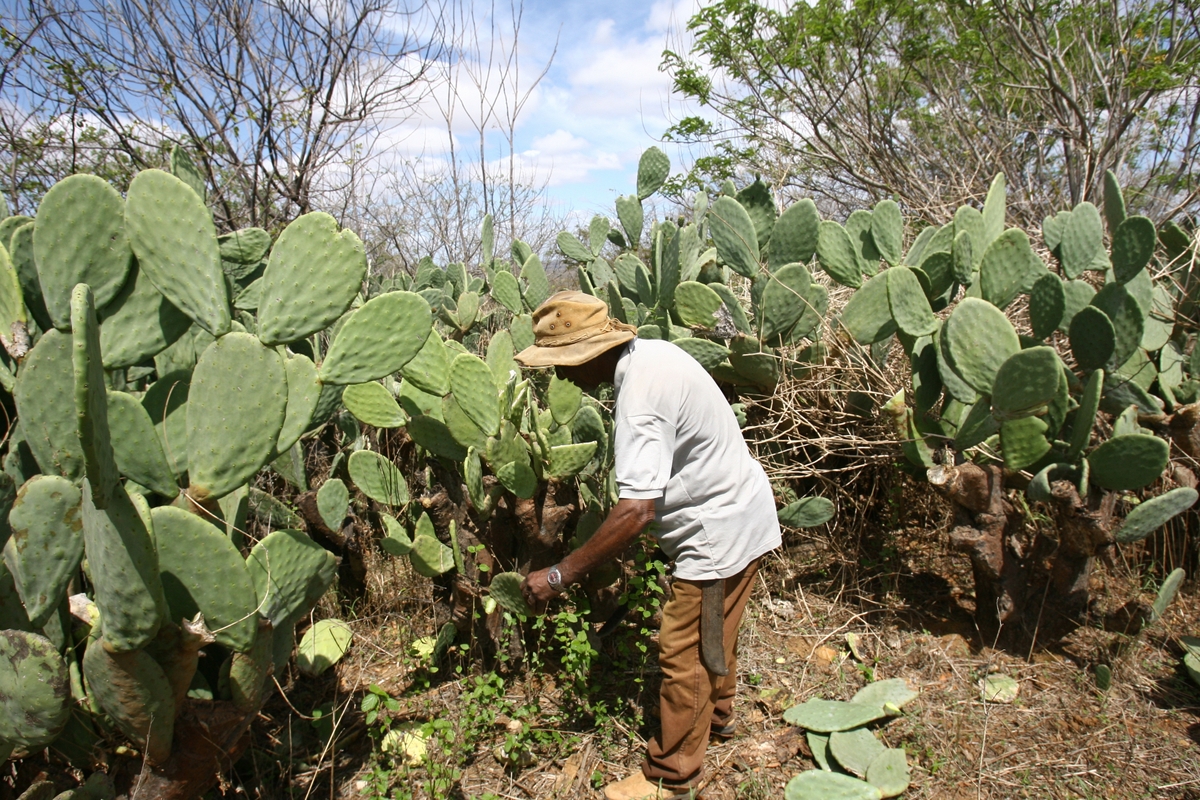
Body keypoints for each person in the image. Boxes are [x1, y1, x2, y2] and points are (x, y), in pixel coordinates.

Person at [515, 291, 781, 800]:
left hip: (716, 534)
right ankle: (718, 719)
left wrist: (559, 575)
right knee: (716, 633)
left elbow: (636, 511)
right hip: (743, 511)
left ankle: (672, 776)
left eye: (562, 363)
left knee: (682, 650)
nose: (560, 375)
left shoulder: (639, 399)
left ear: (590, 354)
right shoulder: (652, 355)